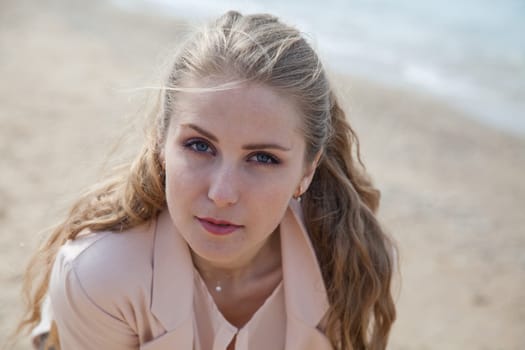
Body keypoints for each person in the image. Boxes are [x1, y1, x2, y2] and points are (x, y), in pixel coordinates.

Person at [15, 10, 396, 350]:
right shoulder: (99, 275)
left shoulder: (345, 256)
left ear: (307, 171)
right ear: (161, 143)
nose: (222, 193)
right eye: (199, 145)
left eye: (263, 158)